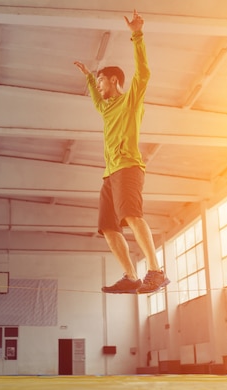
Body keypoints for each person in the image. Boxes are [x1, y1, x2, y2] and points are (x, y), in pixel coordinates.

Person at [74, 10, 170, 294]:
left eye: (103, 81)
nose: (100, 86)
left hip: (128, 167)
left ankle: (156, 271)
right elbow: (95, 96)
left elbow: (144, 72)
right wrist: (90, 78)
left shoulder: (130, 101)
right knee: (108, 227)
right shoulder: (105, 108)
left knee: (131, 215)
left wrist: (137, 35)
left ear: (114, 81)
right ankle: (131, 276)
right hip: (109, 174)